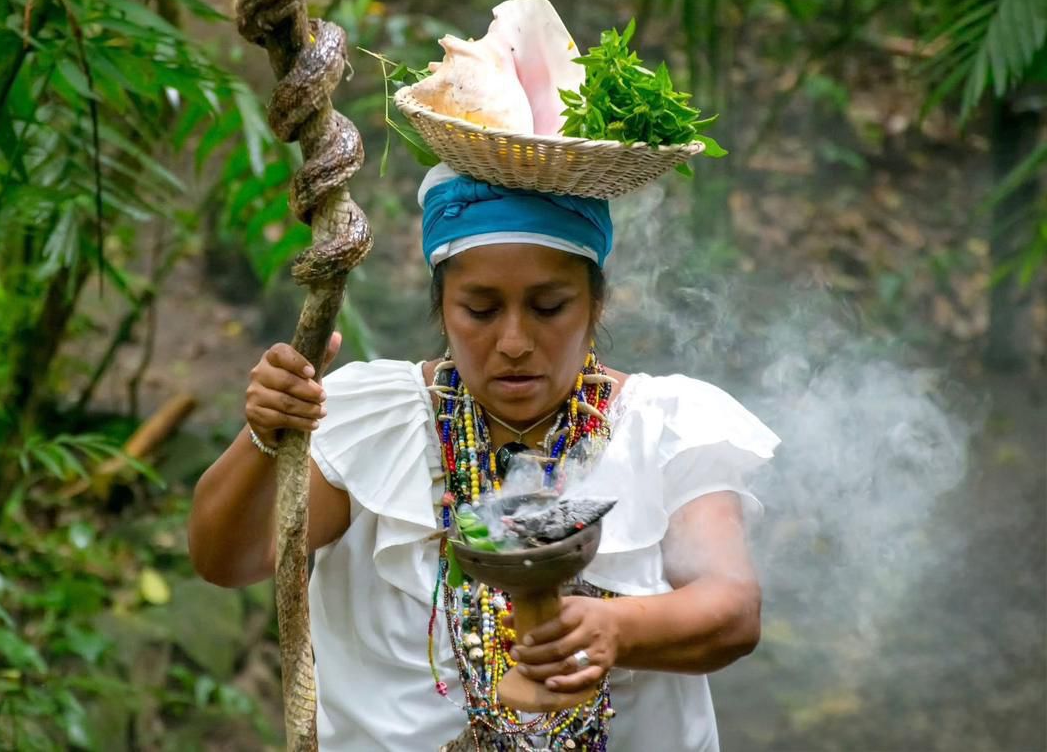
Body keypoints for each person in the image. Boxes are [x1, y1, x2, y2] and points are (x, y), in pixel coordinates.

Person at [188, 163, 780, 751]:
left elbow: (731, 611)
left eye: (549, 308)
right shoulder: (369, 420)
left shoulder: (665, 428)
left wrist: (616, 628)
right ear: (442, 307)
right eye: (480, 310)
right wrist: (267, 433)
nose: (515, 342)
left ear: (595, 305)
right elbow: (228, 559)